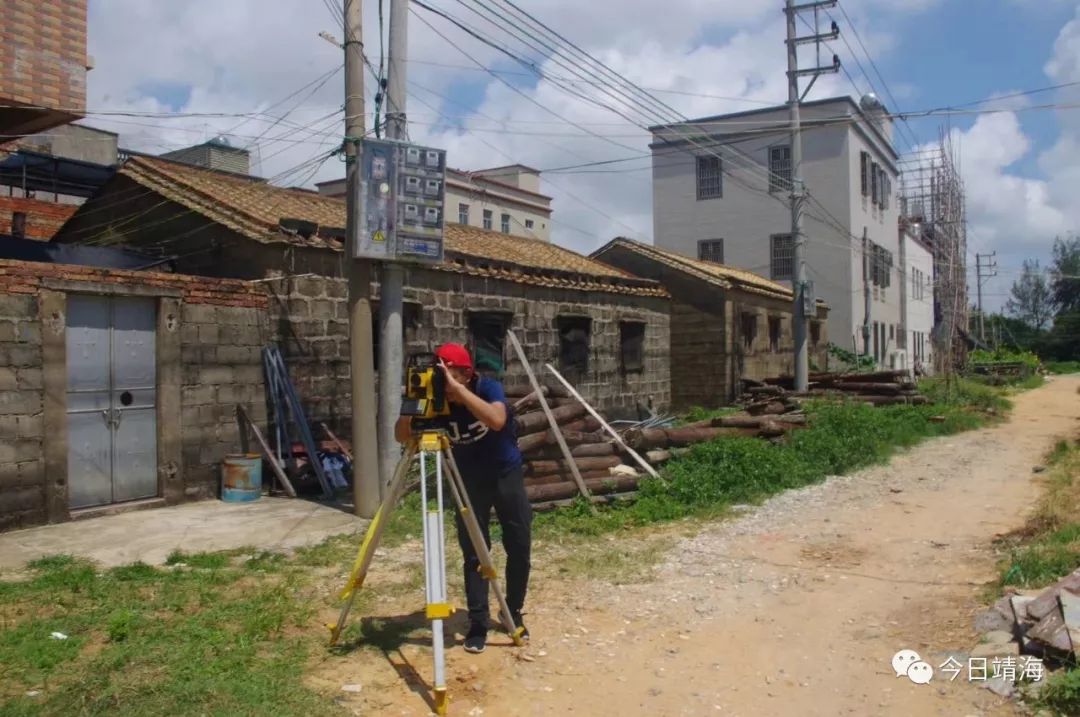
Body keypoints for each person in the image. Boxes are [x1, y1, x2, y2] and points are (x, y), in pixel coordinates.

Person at [395, 343, 532, 654]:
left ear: (467, 374)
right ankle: (478, 622)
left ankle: (513, 611)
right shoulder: (433, 398)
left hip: (505, 473)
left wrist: (460, 391)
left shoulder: (488, 387)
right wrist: (410, 405)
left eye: (449, 374)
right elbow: (401, 437)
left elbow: (497, 420)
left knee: (519, 545)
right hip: (467, 479)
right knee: (475, 553)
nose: (444, 382)